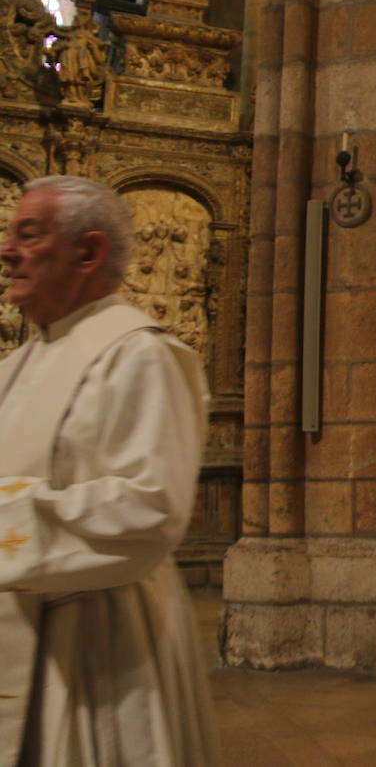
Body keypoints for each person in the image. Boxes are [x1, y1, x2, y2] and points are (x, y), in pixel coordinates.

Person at [0, 176, 217, 765]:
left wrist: (11, 518)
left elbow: (150, 510)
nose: (7, 249)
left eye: (28, 233)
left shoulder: (143, 356)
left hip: (99, 648)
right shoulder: (17, 365)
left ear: (88, 252)